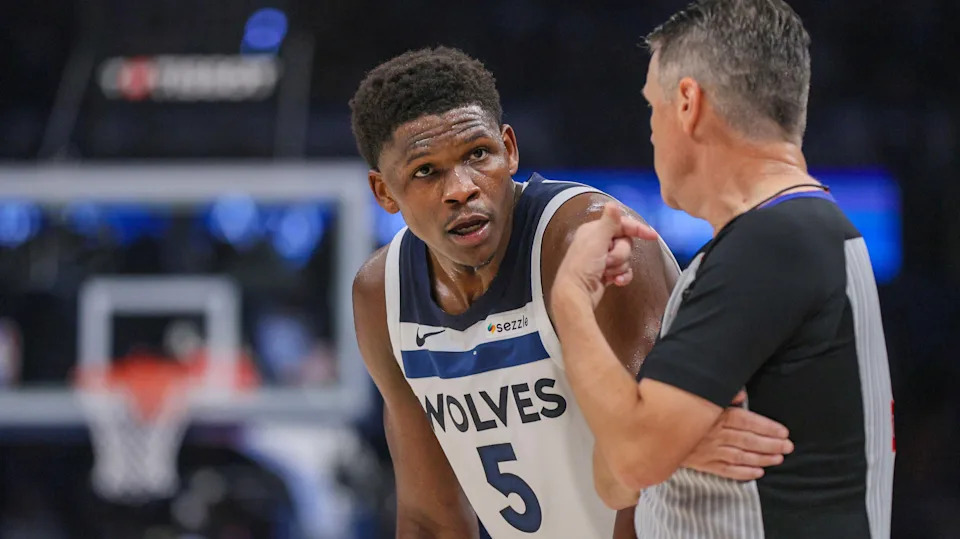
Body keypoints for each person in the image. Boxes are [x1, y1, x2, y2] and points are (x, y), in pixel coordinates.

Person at [350, 46, 793, 538]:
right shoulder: (381, 295)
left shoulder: (586, 242)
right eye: (425, 171)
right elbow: (429, 519)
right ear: (384, 192)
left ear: (509, 149)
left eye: (478, 155)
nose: (462, 188)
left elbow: (650, 473)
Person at [550, 1, 895, 538]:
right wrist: (668, 444)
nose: (650, 133)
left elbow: (631, 460)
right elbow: (616, 479)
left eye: (651, 107)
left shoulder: (772, 245)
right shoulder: (791, 233)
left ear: (688, 103)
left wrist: (570, 297)